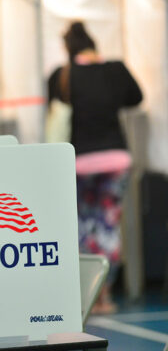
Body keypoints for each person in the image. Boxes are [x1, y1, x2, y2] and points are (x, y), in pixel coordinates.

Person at [48, 21, 143, 314]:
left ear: (68, 48)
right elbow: (136, 98)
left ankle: (85, 297)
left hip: (79, 163)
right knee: (108, 226)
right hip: (115, 160)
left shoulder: (62, 76)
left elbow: (54, 110)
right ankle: (105, 295)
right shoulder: (115, 70)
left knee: (80, 227)